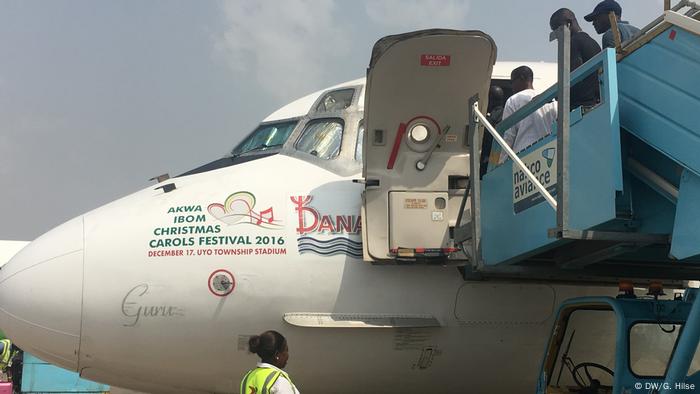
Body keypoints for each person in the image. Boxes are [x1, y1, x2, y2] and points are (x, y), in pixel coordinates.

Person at [499, 66, 557, 164]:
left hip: (522, 157)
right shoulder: (549, 100)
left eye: (512, 82)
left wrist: (500, 163)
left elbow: (508, 136)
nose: (511, 86)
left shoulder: (513, 100)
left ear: (522, 78)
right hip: (546, 155)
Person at [550, 8, 602, 109]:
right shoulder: (592, 42)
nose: (557, 37)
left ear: (568, 24)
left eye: (557, 30)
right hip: (594, 103)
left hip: (579, 106)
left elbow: (571, 77)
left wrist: (552, 95)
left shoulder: (573, 43)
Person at [480, 85, 505, 176]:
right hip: (501, 154)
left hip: (492, 154)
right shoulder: (506, 112)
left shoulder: (493, 115)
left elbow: (486, 133)